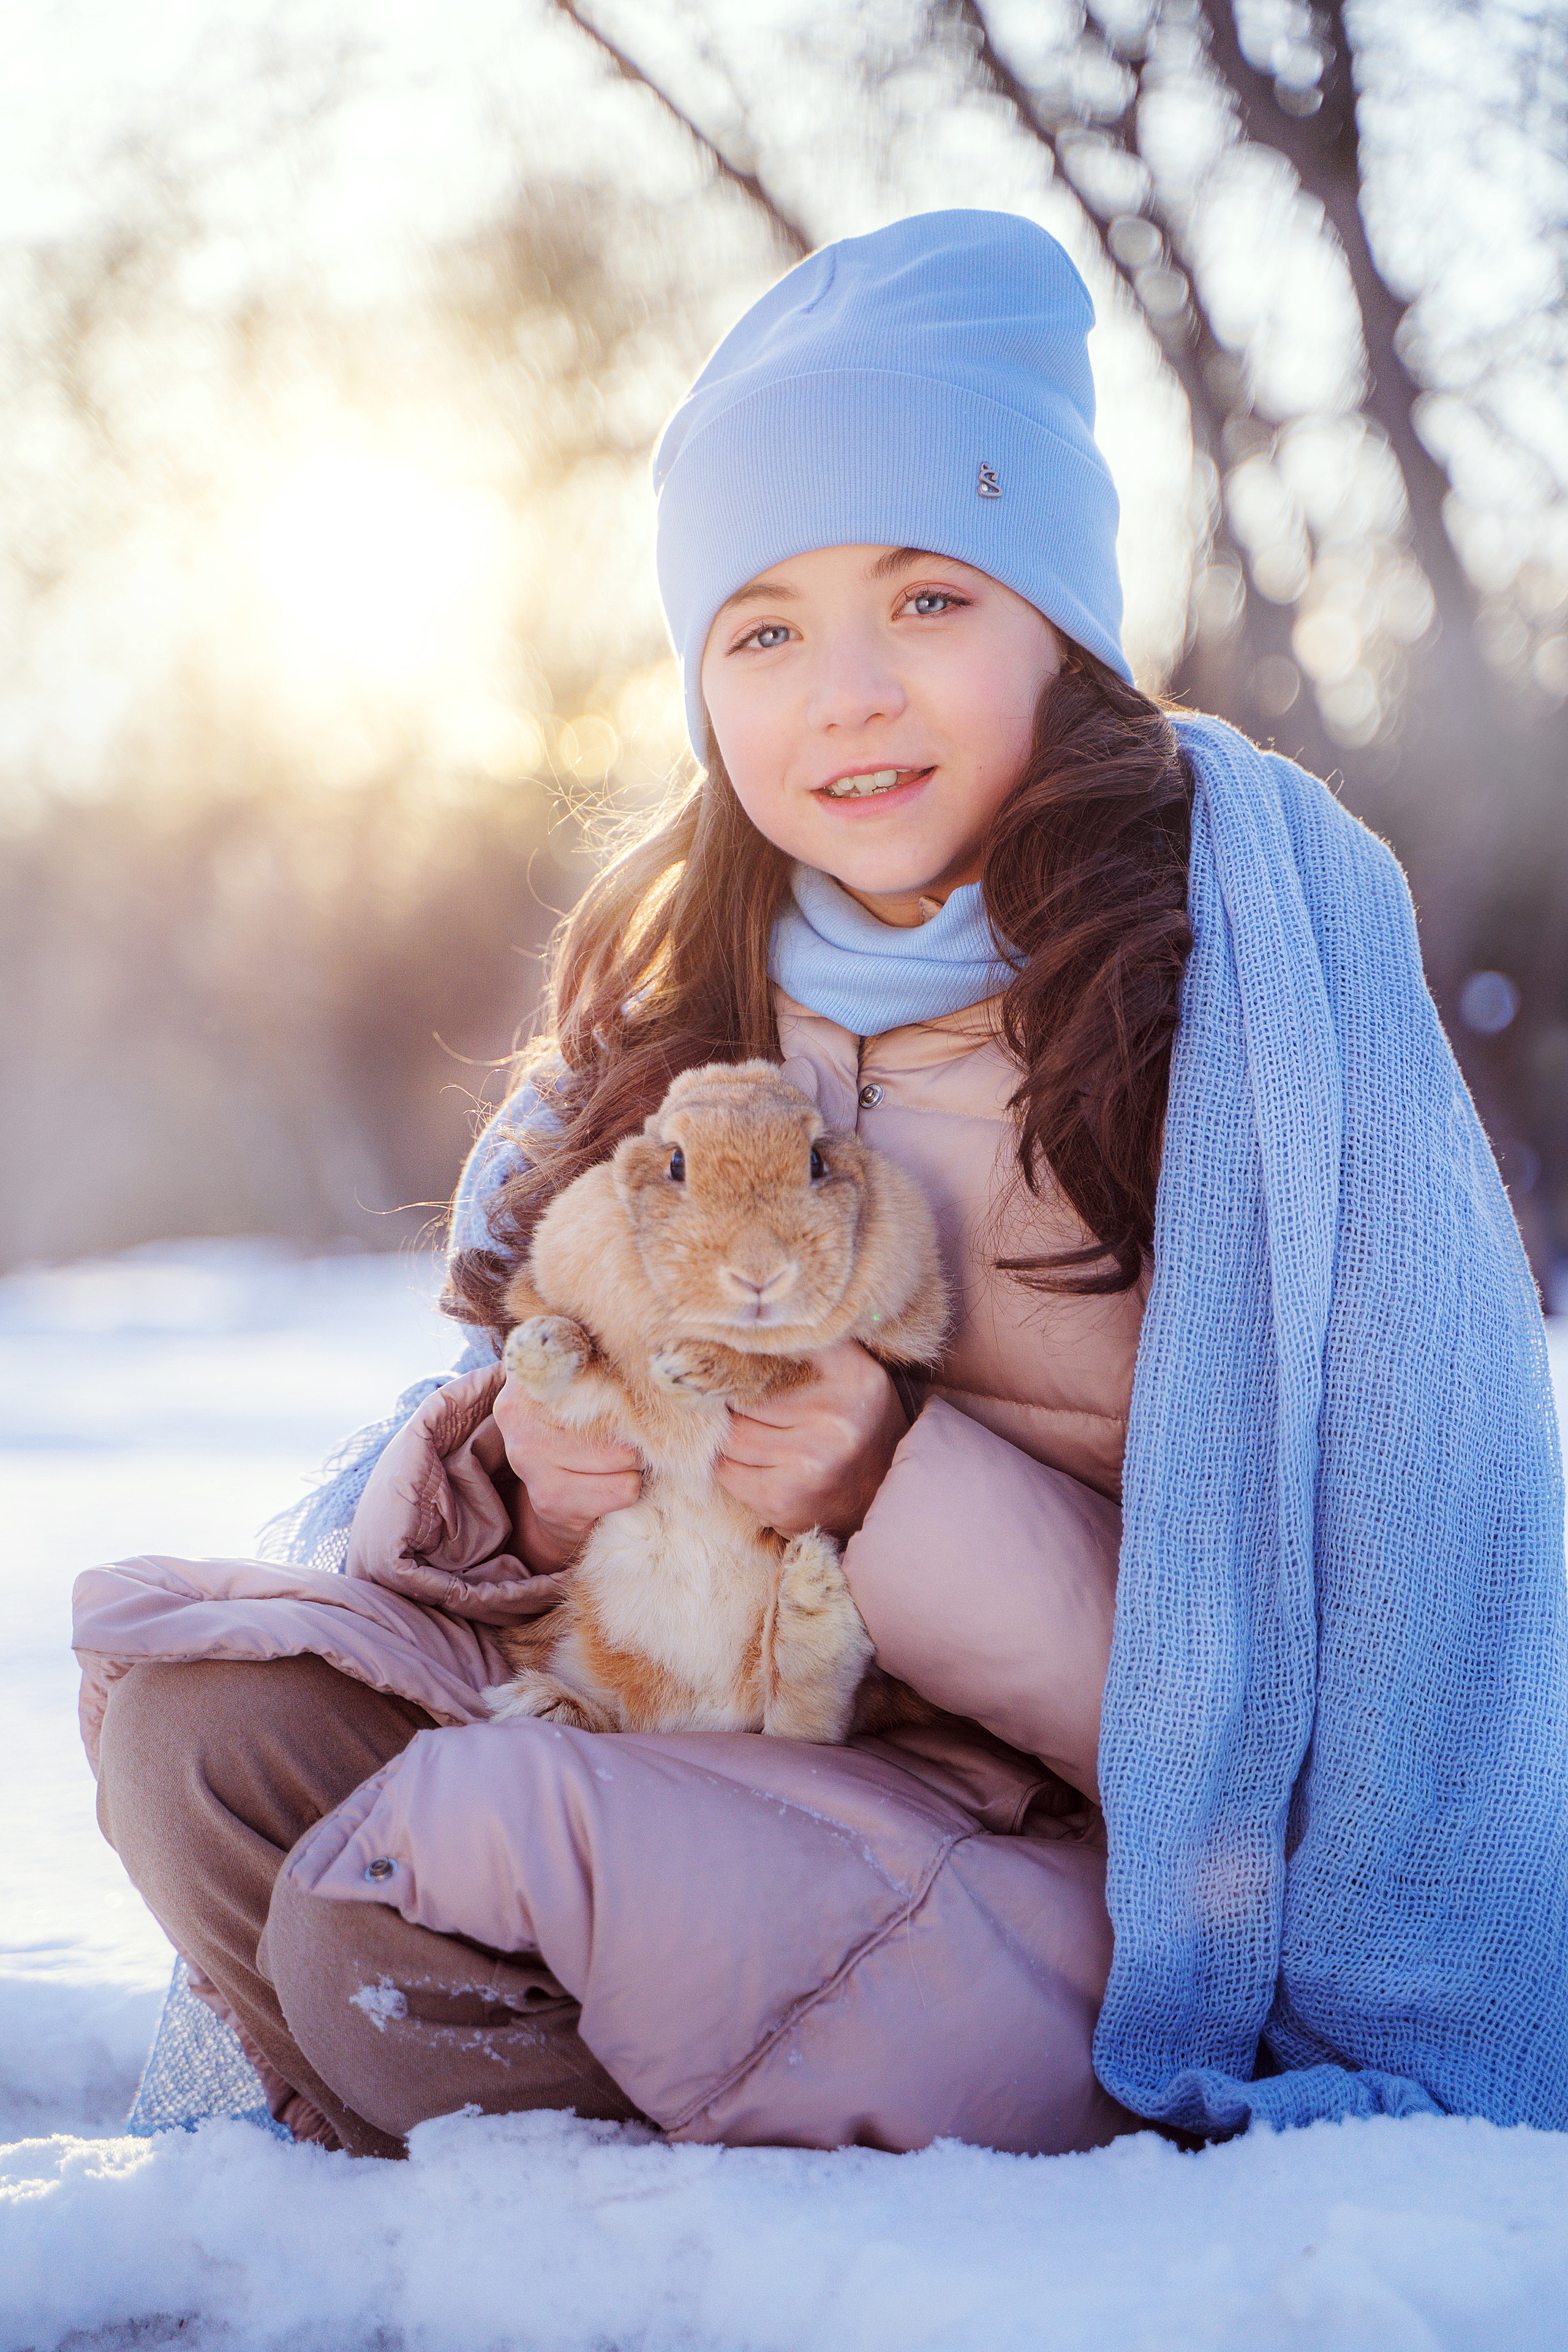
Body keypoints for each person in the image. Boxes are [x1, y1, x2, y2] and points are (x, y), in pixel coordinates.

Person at [76, 210, 1567, 2162]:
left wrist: (885, 1488)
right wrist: (522, 1475)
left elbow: (1377, 1626)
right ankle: (534, 2063)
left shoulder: (1238, 991)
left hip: (1088, 1866)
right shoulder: (681, 1006)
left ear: (1065, 622)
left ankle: (561, 2087)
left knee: (418, 1887)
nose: (846, 692)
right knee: (209, 1734)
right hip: (686, 1730)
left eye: (931, 598)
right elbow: (517, 1496)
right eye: (765, 630)